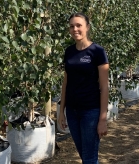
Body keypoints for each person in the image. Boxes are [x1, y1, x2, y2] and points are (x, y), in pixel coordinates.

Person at [58, 12, 109, 164]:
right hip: (72, 112)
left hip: (90, 112)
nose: (75, 29)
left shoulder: (97, 52)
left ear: (87, 27)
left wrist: (103, 119)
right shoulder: (69, 52)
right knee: (84, 154)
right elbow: (66, 83)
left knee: (90, 157)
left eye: (79, 25)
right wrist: (61, 112)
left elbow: (105, 87)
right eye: (72, 26)